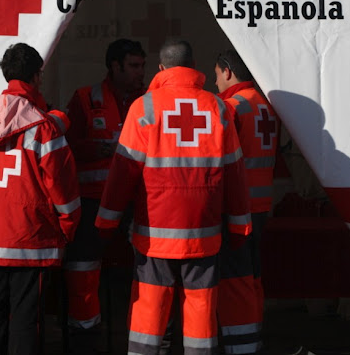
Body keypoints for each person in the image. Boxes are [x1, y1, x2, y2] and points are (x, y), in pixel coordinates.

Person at [95, 39, 251, 355]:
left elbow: (122, 173)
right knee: (200, 314)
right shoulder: (218, 107)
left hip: (155, 236)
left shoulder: (145, 107)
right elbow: (235, 174)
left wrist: (105, 222)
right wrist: (239, 227)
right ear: (193, 67)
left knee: (149, 313)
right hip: (203, 234)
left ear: (162, 69)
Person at [0, 43, 81, 355]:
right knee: (26, 323)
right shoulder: (44, 128)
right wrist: (66, 229)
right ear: (37, 76)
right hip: (31, 241)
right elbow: (63, 190)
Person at [63, 39, 146, 341]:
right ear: (115, 66)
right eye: (134, 66)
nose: (141, 72)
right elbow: (64, 147)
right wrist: (98, 148)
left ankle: (141, 334)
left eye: (142, 65)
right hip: (93, 201)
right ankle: (84, 334)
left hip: (138, 202)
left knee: (146, 270)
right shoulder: (85, 98)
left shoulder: (150, 99)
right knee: (83, 266)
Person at [214, 49, 279, 354]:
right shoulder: (265, 104)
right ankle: (253, 337)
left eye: (216, 75)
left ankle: (240, 345)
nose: (216, 83)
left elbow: (218, 160)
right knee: (253, 278)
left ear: (227, 71)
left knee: (234, 280)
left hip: (238, 210)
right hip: (262, 207)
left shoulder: (231, 106)